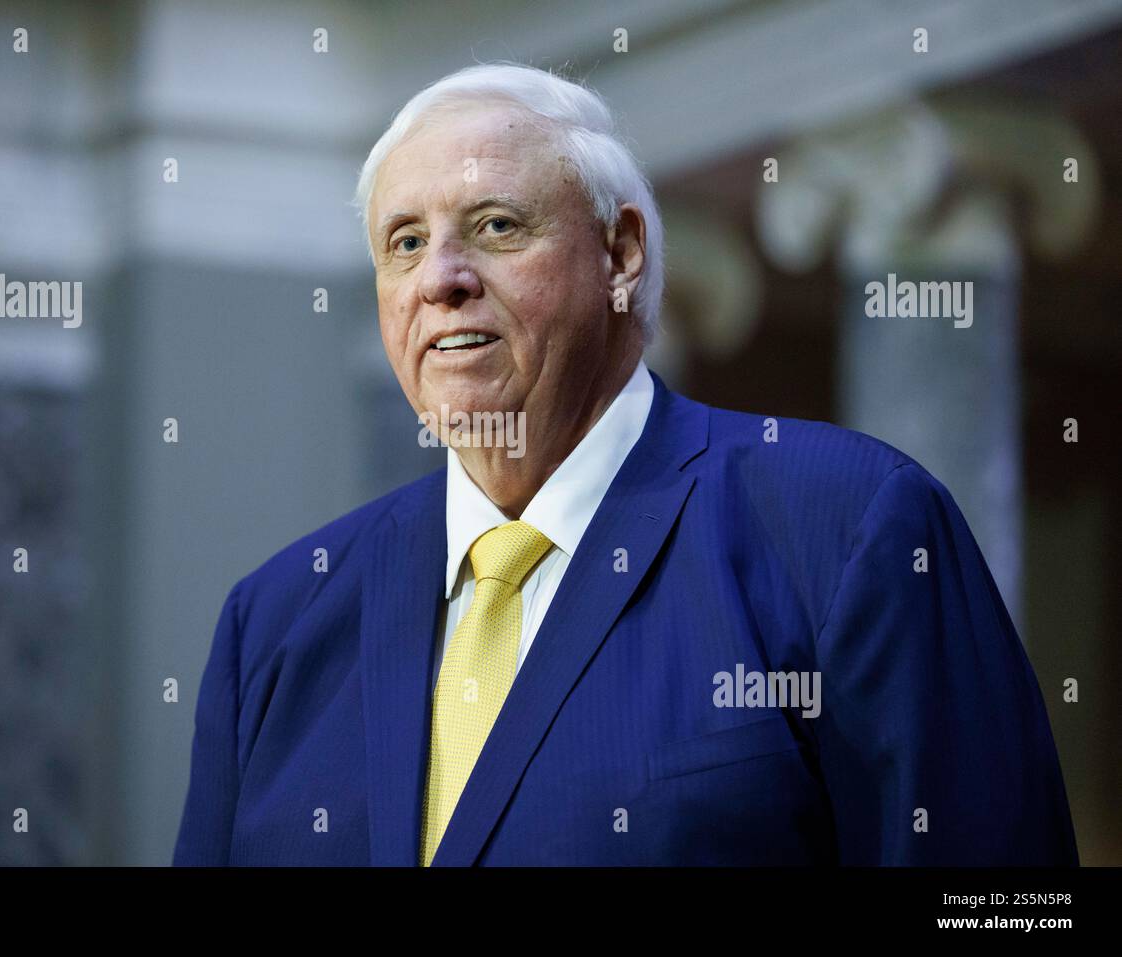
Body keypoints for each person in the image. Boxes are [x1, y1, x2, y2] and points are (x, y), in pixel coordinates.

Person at [173, 62, 1077, 866]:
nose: (439, 276)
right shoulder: (279, 621)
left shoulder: (850, 525)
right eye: (404, 242)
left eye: (494, 226)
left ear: (622, 251)